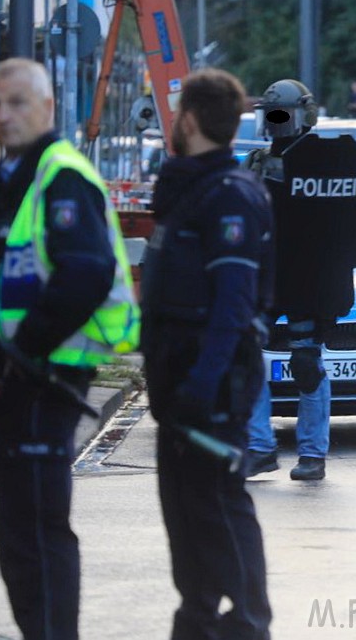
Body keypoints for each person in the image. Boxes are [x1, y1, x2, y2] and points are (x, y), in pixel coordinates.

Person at [0, 58, 139, 639]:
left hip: (44, 377)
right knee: (18, 534)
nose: (2, 115)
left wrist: (22, 350)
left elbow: (86, 271)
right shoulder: (16, 175)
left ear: (48, 109)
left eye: (17, 103)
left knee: (36, 529)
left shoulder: (60, 174)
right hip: (15, 381)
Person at [141, 68, 273, 639]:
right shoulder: (187, 191)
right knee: (185, 512)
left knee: (219, 504)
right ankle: (196, 619)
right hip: (180, 380)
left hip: (212, 383)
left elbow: (234, 305)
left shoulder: (230, 197)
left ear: (189, 120)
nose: (173, 124)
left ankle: (247, 624)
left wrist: (203, 382)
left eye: (176, 116)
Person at [243, 78, 356, 481]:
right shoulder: (255, 162)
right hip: (267, 277)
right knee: (245, 358)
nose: (278, 125)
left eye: (284, 116)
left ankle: (313, 454)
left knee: (306, 362)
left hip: (310, 279)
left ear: (305, 116)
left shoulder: (329, 160)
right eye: (272, 117)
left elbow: (340, 230)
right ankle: (259, 447)